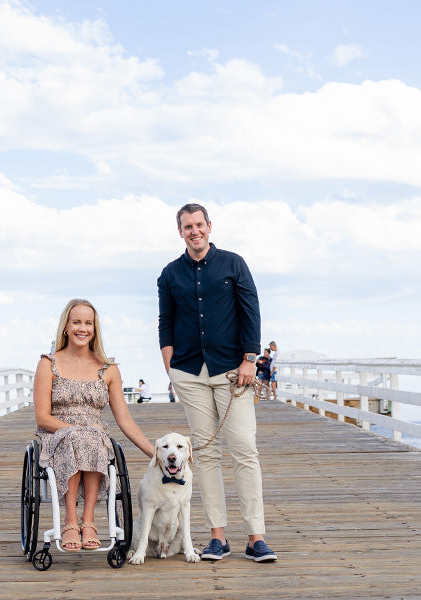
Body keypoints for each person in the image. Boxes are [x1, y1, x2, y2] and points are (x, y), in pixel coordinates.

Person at [157, 202, 277, 563]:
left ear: (209, 226)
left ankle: (256, 537)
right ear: (180, 231)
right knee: (205, 454)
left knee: (244, 449)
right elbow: (166, 320)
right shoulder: (169, 273)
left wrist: (250, 359)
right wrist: (170, 367)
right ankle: (217, 537)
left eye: (199, 224)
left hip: (232, 370)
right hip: (189, 372)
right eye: (187, 226)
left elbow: (250, 310)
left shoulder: (233, 264)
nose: (194, 231)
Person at [33, 299, 154, 551]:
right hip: (56, 433)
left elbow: (124, 419)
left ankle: (88, 521)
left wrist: (154, 453)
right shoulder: (48, 364)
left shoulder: (108, 369)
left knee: (92, 437)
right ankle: (70, 521)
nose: (82, 328)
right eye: (76, 322)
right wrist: (72, 429)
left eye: (88, 323)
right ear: (66, 326)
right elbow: (42, 417)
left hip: (95, 436)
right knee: (79, 436)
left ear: (95, 328)